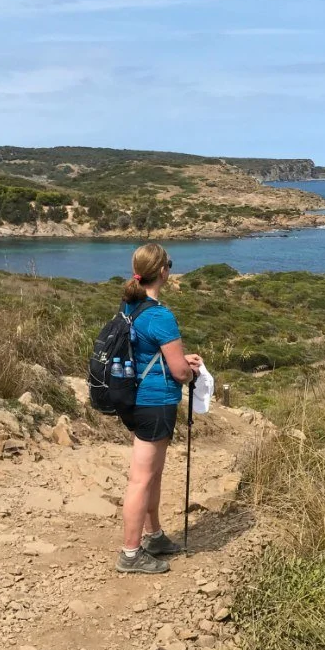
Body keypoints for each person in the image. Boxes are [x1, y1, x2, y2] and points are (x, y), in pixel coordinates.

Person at [114, 243, 204, 575]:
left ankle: (153, 537)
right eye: (170, 264)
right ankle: (130, 553)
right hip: (156, 403)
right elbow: (179, 372)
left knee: (152, 475)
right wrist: (189, 368)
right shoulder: (160, 315)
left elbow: (148, 355)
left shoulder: (131, 306)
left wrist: (182, 361)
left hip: (138, 397)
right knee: (141, 479)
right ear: (163, 271)